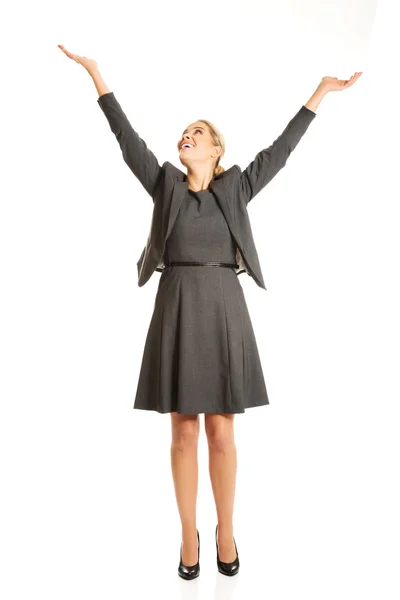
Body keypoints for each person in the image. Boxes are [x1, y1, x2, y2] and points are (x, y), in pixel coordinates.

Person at [58, 44, 362, 579]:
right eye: (184, 133)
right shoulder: (166, 186)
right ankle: (186, 532)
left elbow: (282, 149)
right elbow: (127, 142)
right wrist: (96, 75)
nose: (186, 136)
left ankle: (226, 528)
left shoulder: (237, 187)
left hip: (224, 308)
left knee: (222, 430)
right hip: (176, 304)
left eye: (197, 132)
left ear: (216, 148)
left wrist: (320, 93)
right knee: (182, 432)